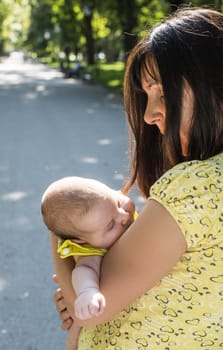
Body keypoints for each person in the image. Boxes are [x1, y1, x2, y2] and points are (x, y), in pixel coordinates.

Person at [50, 7, 223, 349]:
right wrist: (75, 292)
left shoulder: (198, 186)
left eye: (163, 93)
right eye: (147, 96)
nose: (148, 115)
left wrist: (60, 233)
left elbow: (91, 313)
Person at [41, 176, 136, 350]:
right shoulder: (92, 249)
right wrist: (88, 292)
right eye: (110, 226)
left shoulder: (108, 215)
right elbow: (84, 269)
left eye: (118, 203)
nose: (123, 216)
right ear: (81, 242)